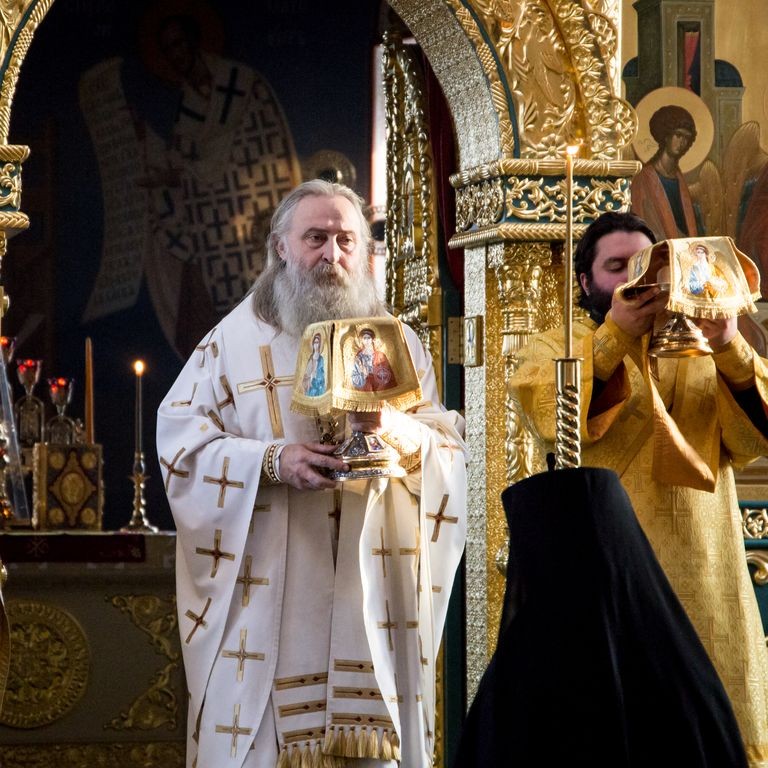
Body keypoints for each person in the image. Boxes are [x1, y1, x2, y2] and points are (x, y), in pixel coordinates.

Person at [156, 180, 467, 768]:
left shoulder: (396, 343)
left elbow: (447, 447)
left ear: (365, 250)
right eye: (315, 238)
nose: (332, 255)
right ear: (281, 247)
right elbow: (182, 446)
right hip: (268, 603)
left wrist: (393, 430)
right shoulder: (230, 344)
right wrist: (273, 461)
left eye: (346, 240)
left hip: (370, 595)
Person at [509, 211, 768, 763]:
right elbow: (551, 418)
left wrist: (729, 344)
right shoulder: (556, 344)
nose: (637, 279)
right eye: (617, 267)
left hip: (704, 569)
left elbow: (757, 437)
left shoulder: (702, 346)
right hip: (607, 573)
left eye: (647, 265)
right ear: (586, 282)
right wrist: (616, 336)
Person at [630, 105, 702, 239]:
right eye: (678, 135)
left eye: (687, 138)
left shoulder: (679, 180)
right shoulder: (643, 179)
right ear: (666, 136)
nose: (682, 142)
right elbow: (639, 223)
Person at [302, 332, 326, 396]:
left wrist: (317, 378)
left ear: (320, 344)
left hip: (318, 385)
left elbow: (322, 373)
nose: (316, 345)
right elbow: (306, 372)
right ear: (312, 344)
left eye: (317, 342)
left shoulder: (321, 359)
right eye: (314, 343)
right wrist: (309, 378)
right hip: (310, 383)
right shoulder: (310, 358)